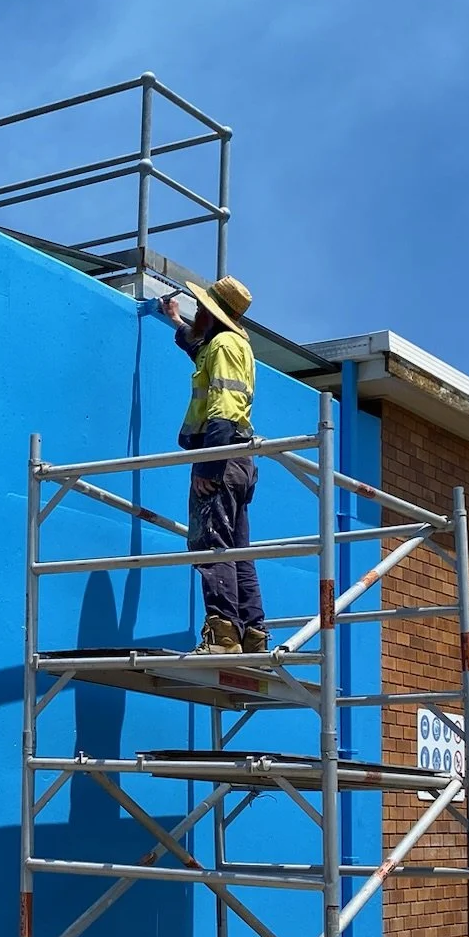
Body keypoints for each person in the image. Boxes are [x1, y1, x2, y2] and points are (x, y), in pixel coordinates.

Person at [160, 275, 267, 655]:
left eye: (202, 307)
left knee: (212, 544)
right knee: (237, 549)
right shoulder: (233, 344)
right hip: (239, 458)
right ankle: (252, 633)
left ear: (216, 313)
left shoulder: (221, 344)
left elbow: (222, 406)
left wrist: (208, 464)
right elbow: (200, 352)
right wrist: (175, 321)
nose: (198, 311)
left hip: (220, 453)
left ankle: (223, 636)